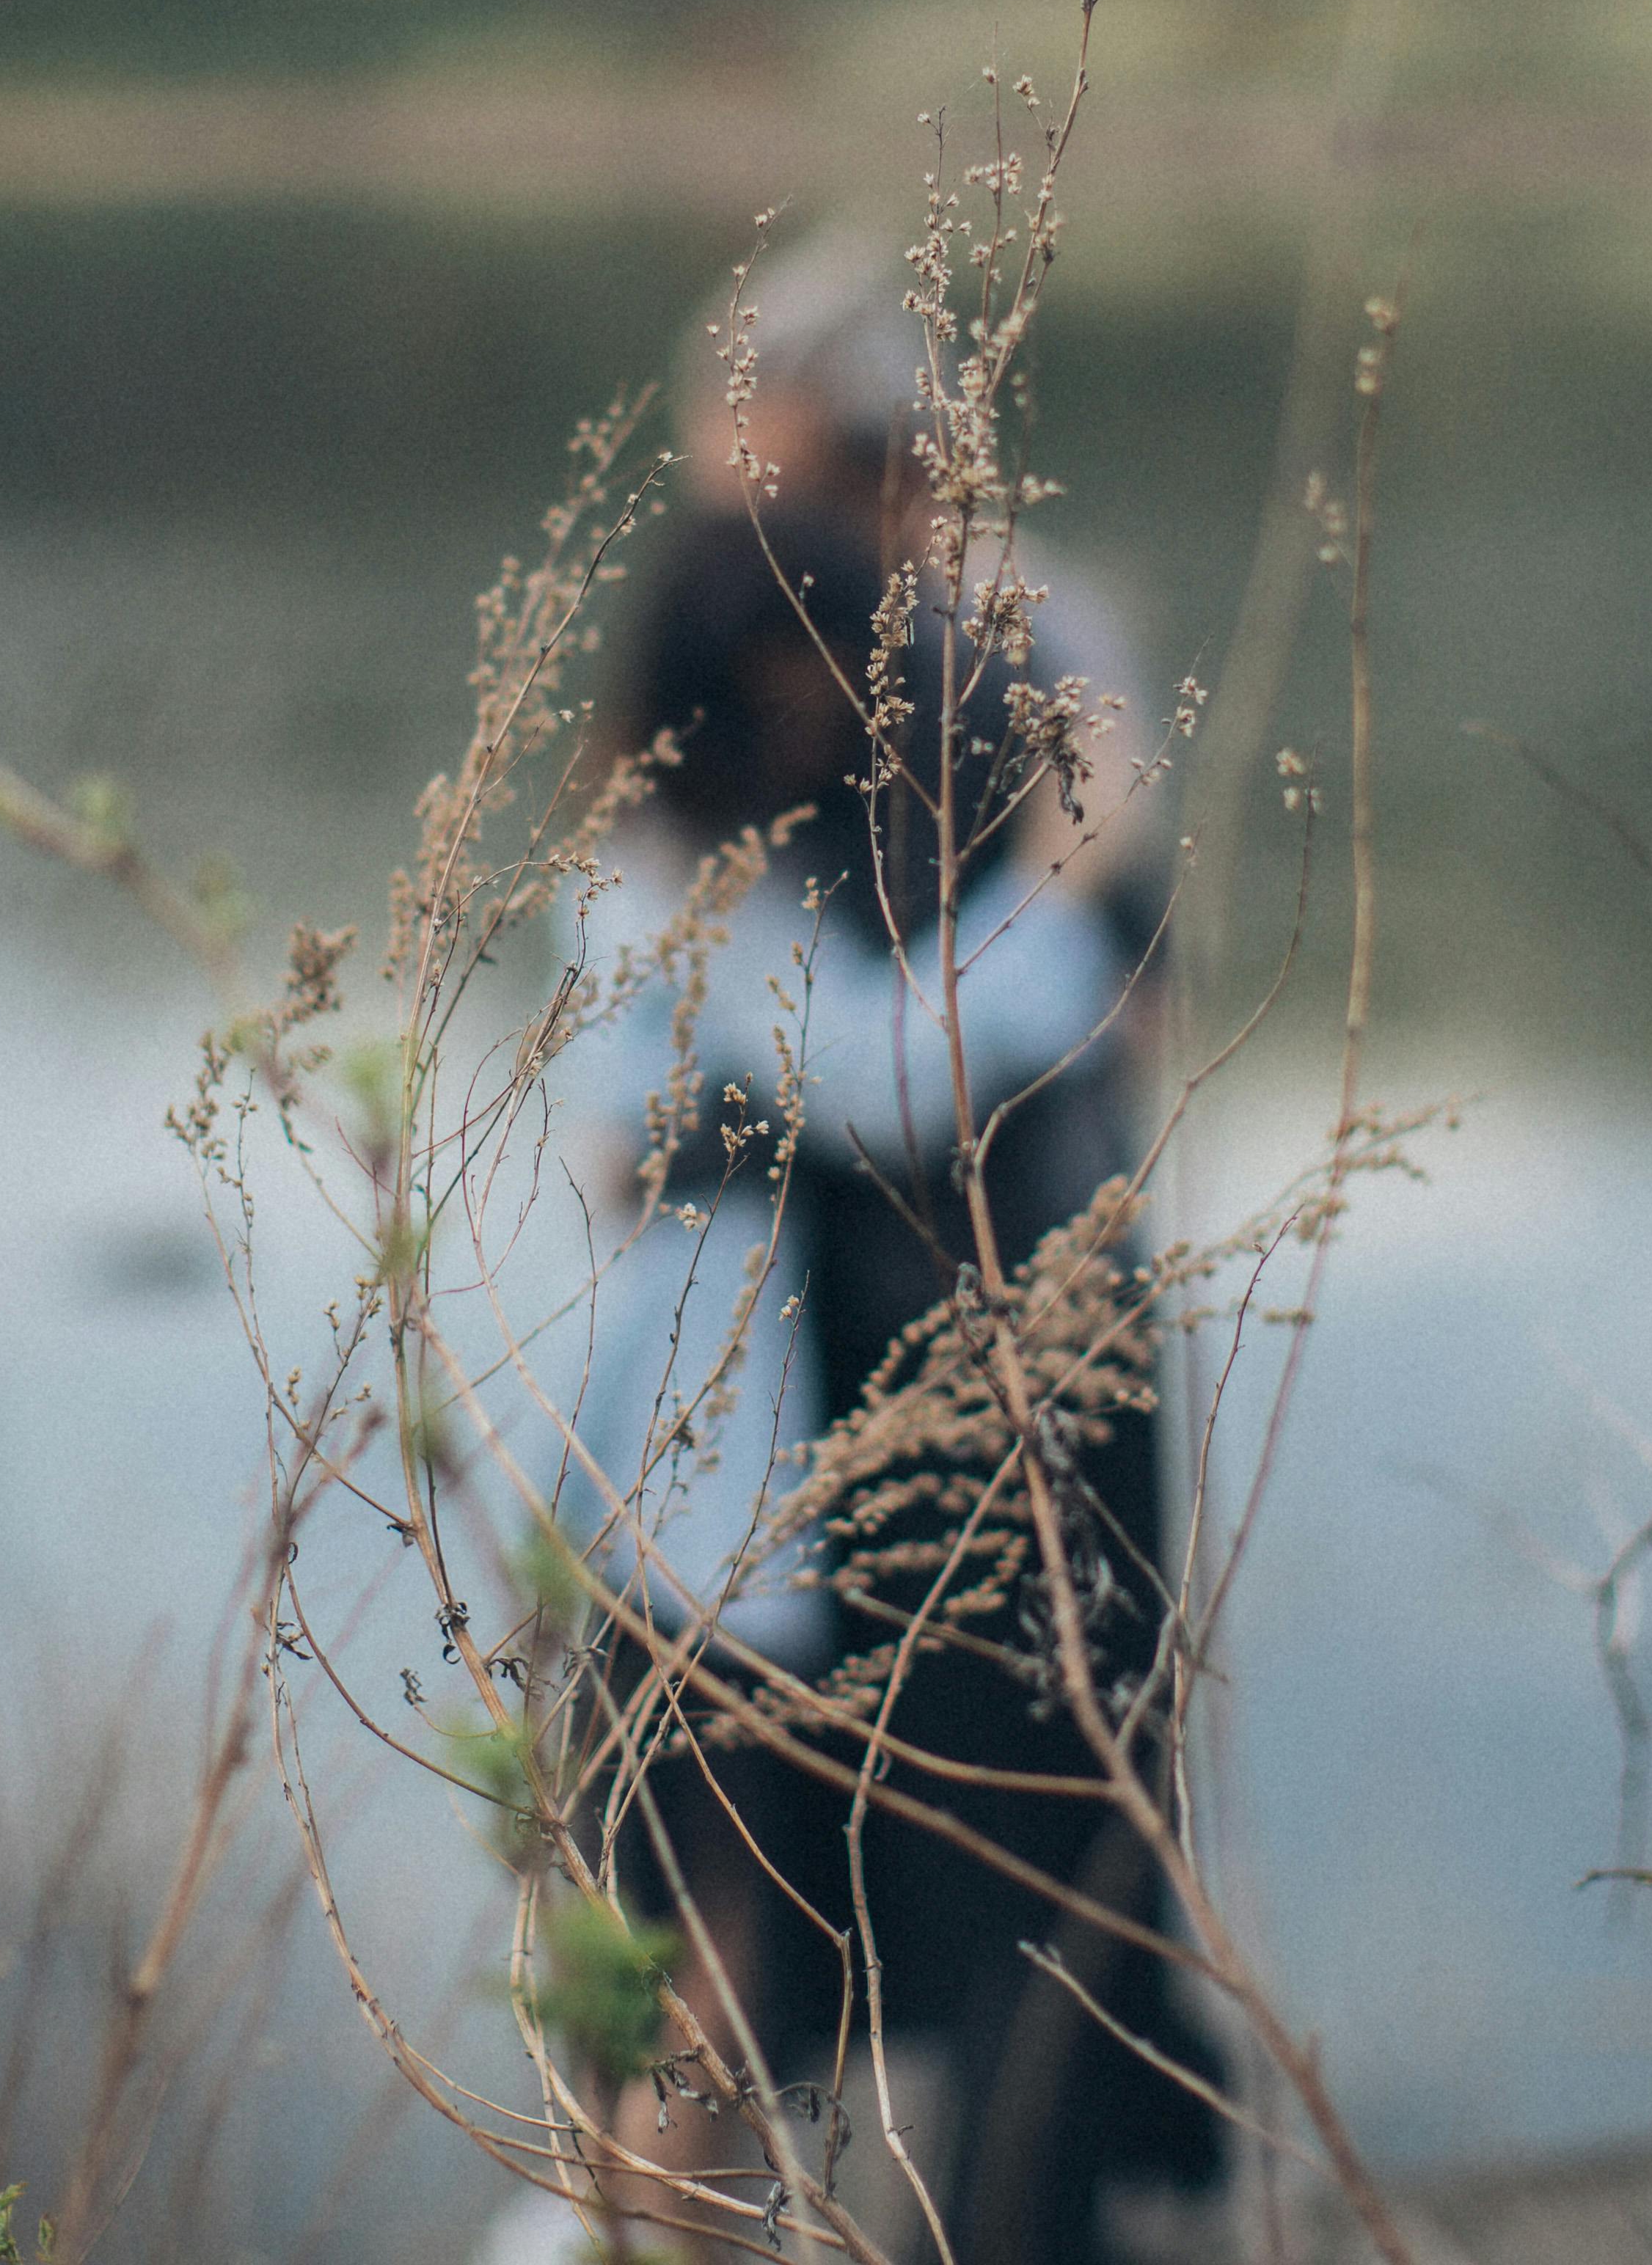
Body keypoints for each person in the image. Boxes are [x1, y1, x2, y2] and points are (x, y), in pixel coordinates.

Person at [538, 224, 1222, 2265]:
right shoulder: (693, 787)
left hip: (950, 1421)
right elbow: (875, 1069)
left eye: (781, 448)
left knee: (976, 1906)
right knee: (714, 1952)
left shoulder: (1003, 638)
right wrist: (1067, 888)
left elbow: (1100, 1024)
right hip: (749, 1470)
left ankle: (1010, 2202)